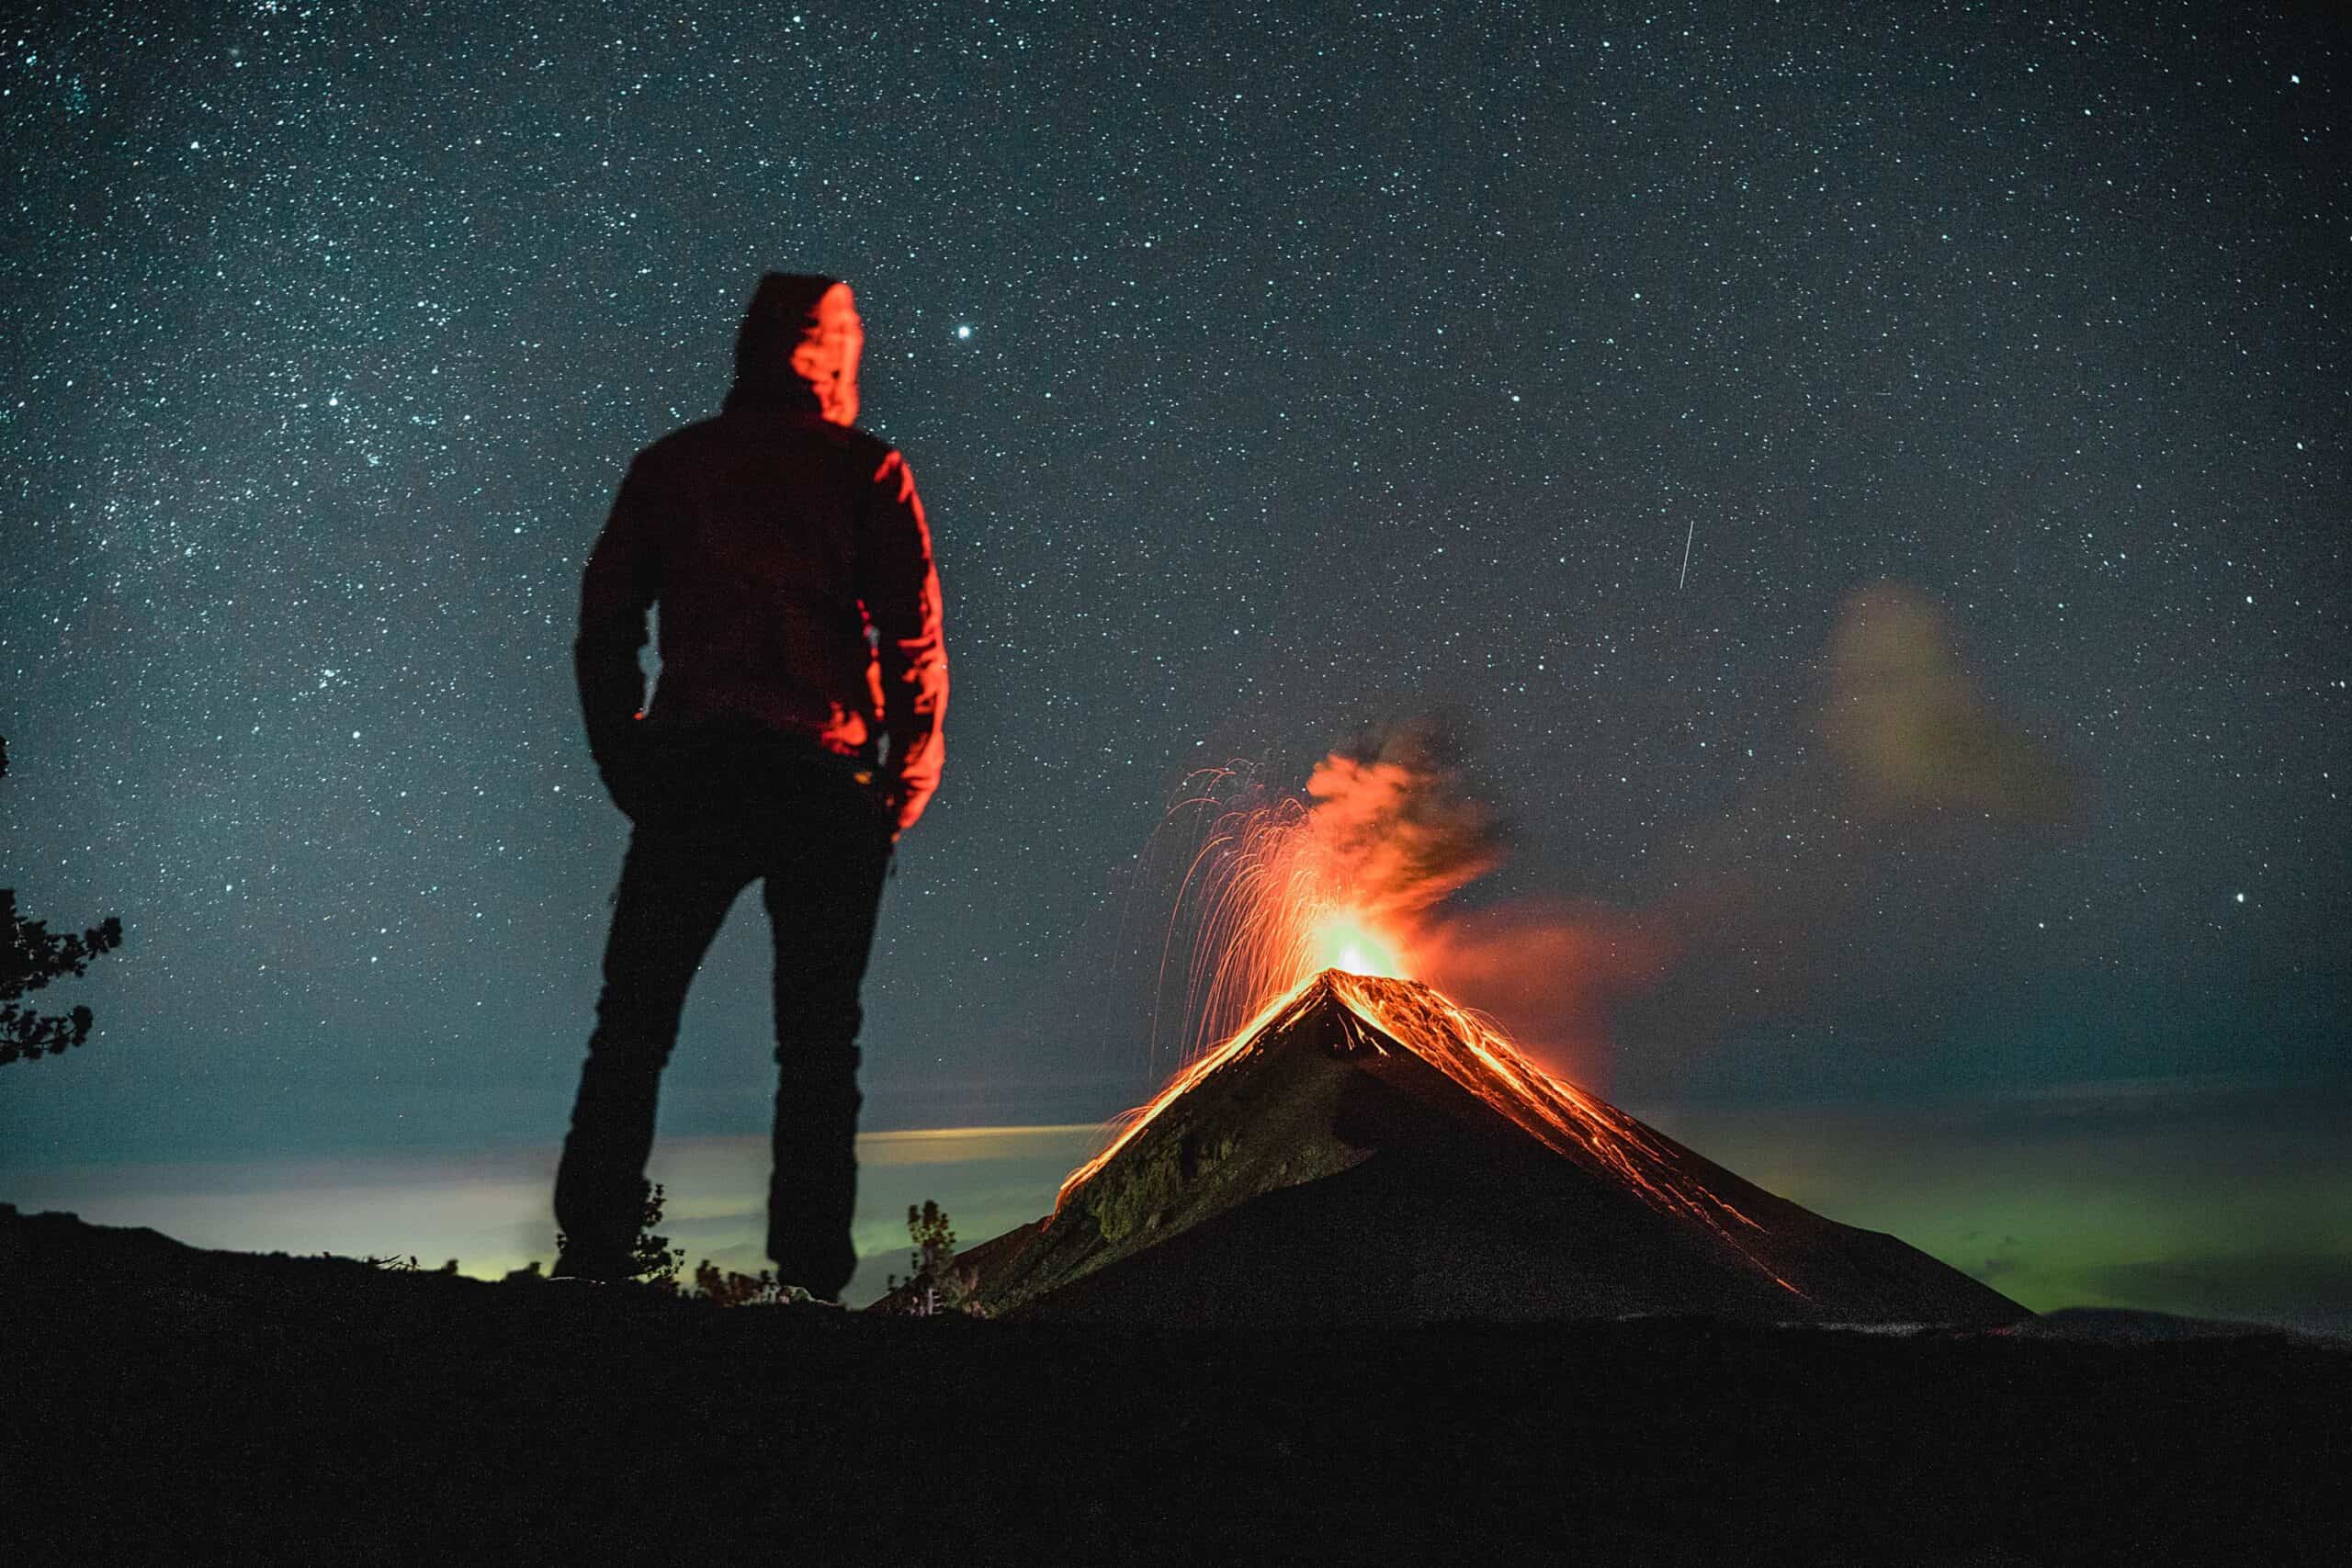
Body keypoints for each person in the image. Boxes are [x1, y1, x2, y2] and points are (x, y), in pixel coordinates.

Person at [552, 273, 947, 1300]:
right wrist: (902, 783)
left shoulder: (674, 468)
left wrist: (627, 758)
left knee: (632, 1023)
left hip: (693, 772)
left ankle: (593, 1254)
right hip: (824, 780)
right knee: (820, 1038)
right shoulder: (865, 471)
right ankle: (812, 1274)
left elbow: (604, 622)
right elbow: (914, 642)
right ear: (828, 353)